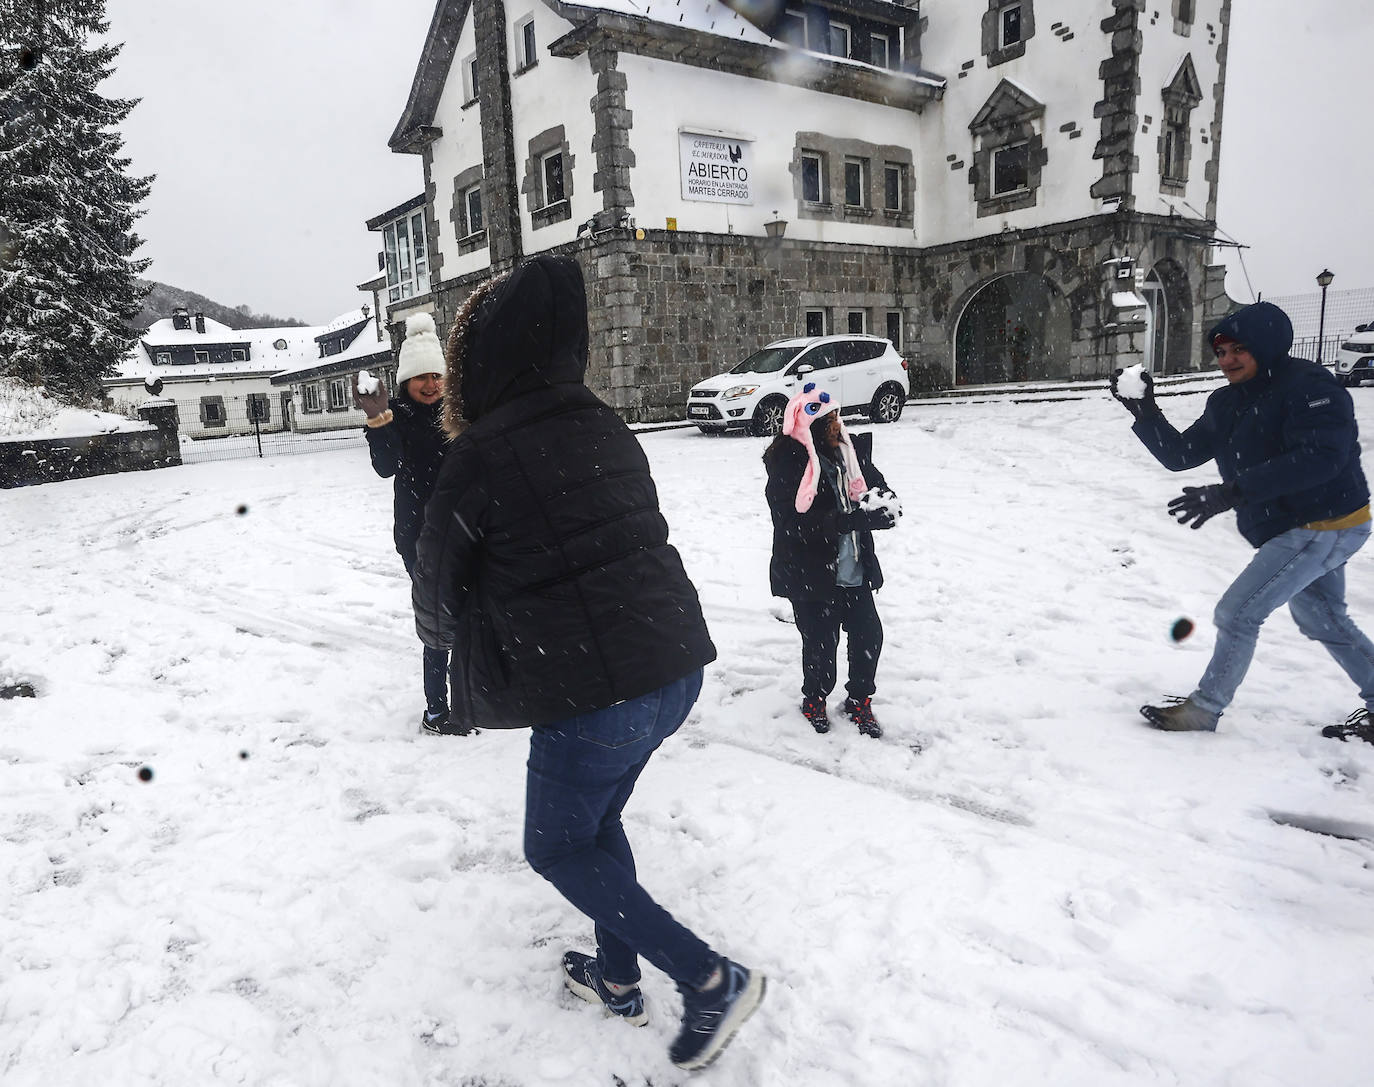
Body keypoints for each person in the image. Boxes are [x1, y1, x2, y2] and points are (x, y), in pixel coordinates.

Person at [411, 255, 766, 1071]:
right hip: (672, 668)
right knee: (596, 824)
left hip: (594, 689)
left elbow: (435, 597)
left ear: (478, 364)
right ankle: (615, 976)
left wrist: (449, 636)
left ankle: (709, 977)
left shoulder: (482, 455)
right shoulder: (602, 420)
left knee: (557, 847)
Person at [1111, 300, 1374, 744]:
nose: (1227, 360)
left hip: (1323, 523)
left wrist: (1233, 492)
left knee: (1237, 612)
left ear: (1267, 347)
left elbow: (1319, 459)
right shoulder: (1228, 401)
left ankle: (1205, 709)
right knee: (1322, 619)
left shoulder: (1311, 389)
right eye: (1221, 352)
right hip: (1298, 526)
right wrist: (1144, 412)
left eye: (1239, 350)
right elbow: (1181, 456)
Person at [763, 383, 900, 738]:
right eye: (831, 419)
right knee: (821, 647)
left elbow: (874, 485)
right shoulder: (789, 463)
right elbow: (791, 523)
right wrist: (849, 521)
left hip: (853, 567)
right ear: (814, 424)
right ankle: (815, 698)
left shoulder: (849, 453)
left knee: (869, 636)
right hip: (812, 572)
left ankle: (859, 701)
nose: (839, 424)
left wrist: (885, 503)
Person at [353, 312, 466, 737]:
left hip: (463, 532)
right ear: (406, 380)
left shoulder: (457, 412)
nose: (432, 385)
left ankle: (472, 696)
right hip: (418, 536)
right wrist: (378, 420)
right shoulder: (395, 413)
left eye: (438, 376)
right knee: (438, 623)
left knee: (470, 616)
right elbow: (386, 467)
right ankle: (437, 712)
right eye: (422, 377)